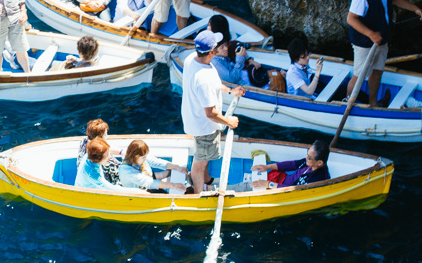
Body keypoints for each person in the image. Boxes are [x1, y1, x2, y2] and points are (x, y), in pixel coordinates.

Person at [346, 0, 422, 107]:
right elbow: (351, 19)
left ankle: (373, 103)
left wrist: (416, 9)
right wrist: (370, 34)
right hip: (364, 42)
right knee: (359, 74)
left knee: (377, 71)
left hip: (382, 39)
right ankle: (348, 102)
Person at [181, 30, 245, 194]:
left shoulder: (191, 60)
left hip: (194, 119)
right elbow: (211, 113)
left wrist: (231, 91)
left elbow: (215, 86)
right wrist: (229, 121)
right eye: (216, 45)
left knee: (204, 156)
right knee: (200, 162)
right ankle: (197, 195)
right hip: (204, 127)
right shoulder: (204, 79)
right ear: (211, 52)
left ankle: (207, 179)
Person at [228, 140, 331, 192]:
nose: (306, 158)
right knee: (250, 183)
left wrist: (268, 184)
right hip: (280, 180)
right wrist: (268, 167)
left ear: (320, 163)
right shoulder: (309, 161)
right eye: (307, 154)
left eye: (309, 157)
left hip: (281, 189)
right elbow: (292, 164)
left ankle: (213, 188)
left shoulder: (318, 179)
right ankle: (213, 185)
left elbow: (294, 190)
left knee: (247, 186)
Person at [119, 139, 188, 194]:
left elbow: (156, 162)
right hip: (142, 190)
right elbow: (150, 183)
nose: (145, 159)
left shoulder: (138, 156)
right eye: (143, 157)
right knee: (166, 193)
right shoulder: (128, 172)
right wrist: (174, 185)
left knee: (171, 171)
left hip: (148, 177)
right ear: (135, 157)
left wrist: (176, 167)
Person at [76, 119, 122, 184]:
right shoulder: (104, 159)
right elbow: (120, 168)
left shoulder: (84, 141)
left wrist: (121, 152)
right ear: (99, 138)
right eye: (105, 135)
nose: (107, 137)